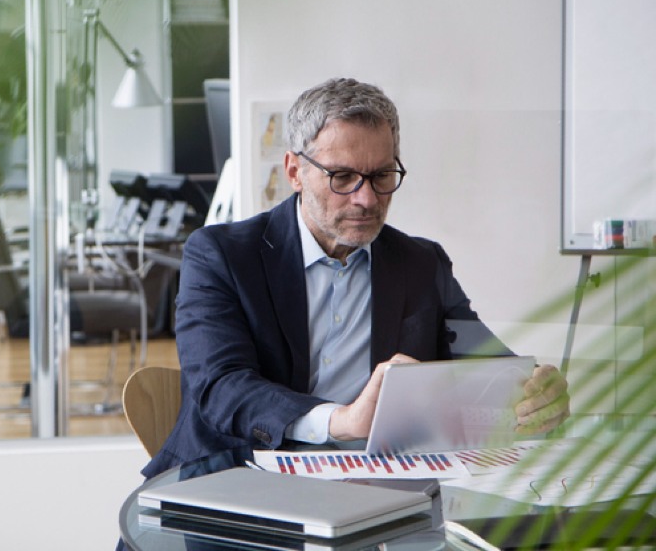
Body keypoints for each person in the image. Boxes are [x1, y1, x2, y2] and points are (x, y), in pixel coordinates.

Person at [141, 77, 570, 479]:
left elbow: (482, 363)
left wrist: (531, 394)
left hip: (371, 489)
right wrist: (340, 421)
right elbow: (222, 386)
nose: (366, 199)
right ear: (294, 172)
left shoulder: (422, 263)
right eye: (342, 177)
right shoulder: (221, 255)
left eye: (382, 176)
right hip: (232, 482)